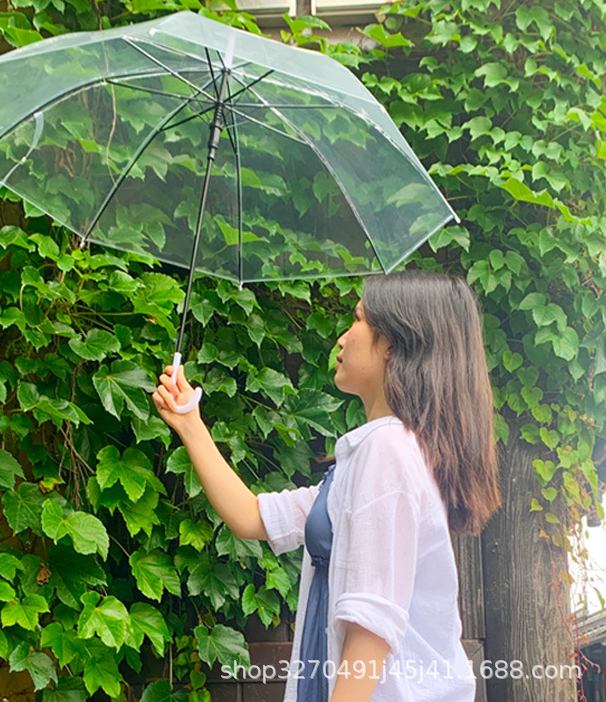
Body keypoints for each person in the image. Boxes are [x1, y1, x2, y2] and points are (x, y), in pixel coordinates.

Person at [152, 270, 501, 702]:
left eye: (356, 321)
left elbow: (370, 628)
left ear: (392, 343)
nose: (341, 338)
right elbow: (250, 516)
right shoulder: (379, 454)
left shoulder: (388, 451)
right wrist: (190, 422)